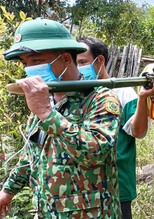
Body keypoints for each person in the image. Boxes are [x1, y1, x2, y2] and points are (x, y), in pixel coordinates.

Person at [0, 18, 121, 218]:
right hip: (48, 212)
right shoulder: (45, 99)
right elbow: (32, 152)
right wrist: (8, 191)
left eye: (36, 61)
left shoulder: (100, 98)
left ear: (65, 58)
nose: (29, 70)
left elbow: (96, 153)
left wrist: (48, 115)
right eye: (25, 63)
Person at [76, 37, 154, 219]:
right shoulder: (77, 95)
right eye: (76, 64)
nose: (79, 69)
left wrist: (142, 99)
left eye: (82, 62)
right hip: (84, 186)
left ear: (99, 61)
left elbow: (138, 132)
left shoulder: (123, 92)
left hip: (117, 183)